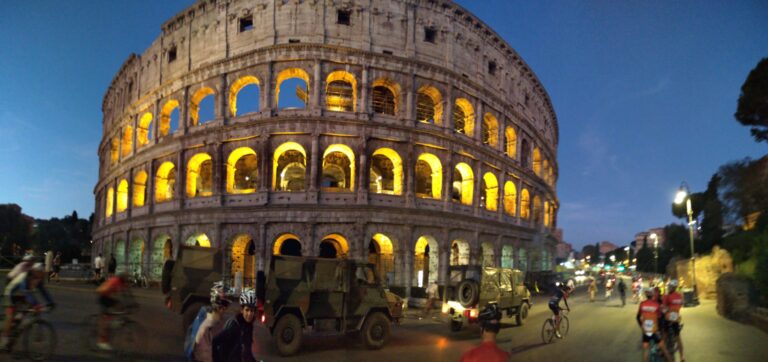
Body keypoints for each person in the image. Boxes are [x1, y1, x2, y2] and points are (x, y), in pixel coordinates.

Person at [1, 263, 55, 350]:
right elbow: (26, 292)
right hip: (11, 293)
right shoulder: (25, 277)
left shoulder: (38, 279)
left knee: (28, 311)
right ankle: (5, 337)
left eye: (43, 273)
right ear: (35, 271)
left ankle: (18, 323)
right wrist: (36, 305)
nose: (42, 275)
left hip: (21, 295)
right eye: (41, 272)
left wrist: (51, 302)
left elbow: (44, 292)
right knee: (11, 314)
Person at [212, 289, 257, 362]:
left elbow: (247, 353)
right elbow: (214, 342)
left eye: (252, 311)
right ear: (242, 310)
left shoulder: (248, 327)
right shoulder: (234, 325)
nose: (249, 314)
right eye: (247, 310)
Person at [191, 284, 231, 362]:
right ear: (220, 308)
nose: (226, 310)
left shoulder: (212, 323)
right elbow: (205, 357)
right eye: (225, 306)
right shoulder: (206, 328)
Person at [96, 273, 131, 351]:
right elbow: (102, 289)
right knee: (106, 319)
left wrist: (133, 304)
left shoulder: (121, 283)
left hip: (108, 297)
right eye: (126, 280)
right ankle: (102, 341)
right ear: (122, 278)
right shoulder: (115, 281)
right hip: (103, 297)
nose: (127, 282)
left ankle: (116, 320)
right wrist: (109, 290)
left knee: (119, 306)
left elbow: (127, 294)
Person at [637, 288, 672, 362]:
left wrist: (642, 327)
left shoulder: (642, 304)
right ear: (652, 295)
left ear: (646, 295)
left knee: (645, 351)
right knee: (664, 349)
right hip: (654, 330)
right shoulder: (656, 305)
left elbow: (637, 317)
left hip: (646, 330)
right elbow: (659, 317)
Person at [662, 279, 685, 362]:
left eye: (669, 286)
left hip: (668, 318)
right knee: (678, 338)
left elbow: (664, 309)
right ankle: (682, 356)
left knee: (664, 335)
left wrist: (665, 309)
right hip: (676, 319)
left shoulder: (667, 296)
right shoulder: (680, 296)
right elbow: (681, 304)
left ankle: (662, 351)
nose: (668, 287)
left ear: (672, 287)